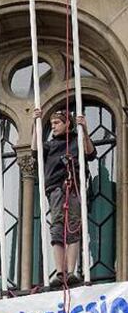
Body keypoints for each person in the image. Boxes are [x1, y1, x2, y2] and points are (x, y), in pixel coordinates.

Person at [32, 109, 96, 287]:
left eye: (57, 123)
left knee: (73, 226)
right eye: (51, 124)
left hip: (73, 187)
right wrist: (36, 125)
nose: (53, 127)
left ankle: (71, 270)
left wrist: (84, 131)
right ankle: (61, 272)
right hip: (56, 189)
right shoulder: (50, 145)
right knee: (58, 226)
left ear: (67, 123)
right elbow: (34, 150)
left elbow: (90, 153)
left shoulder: (76, 140)